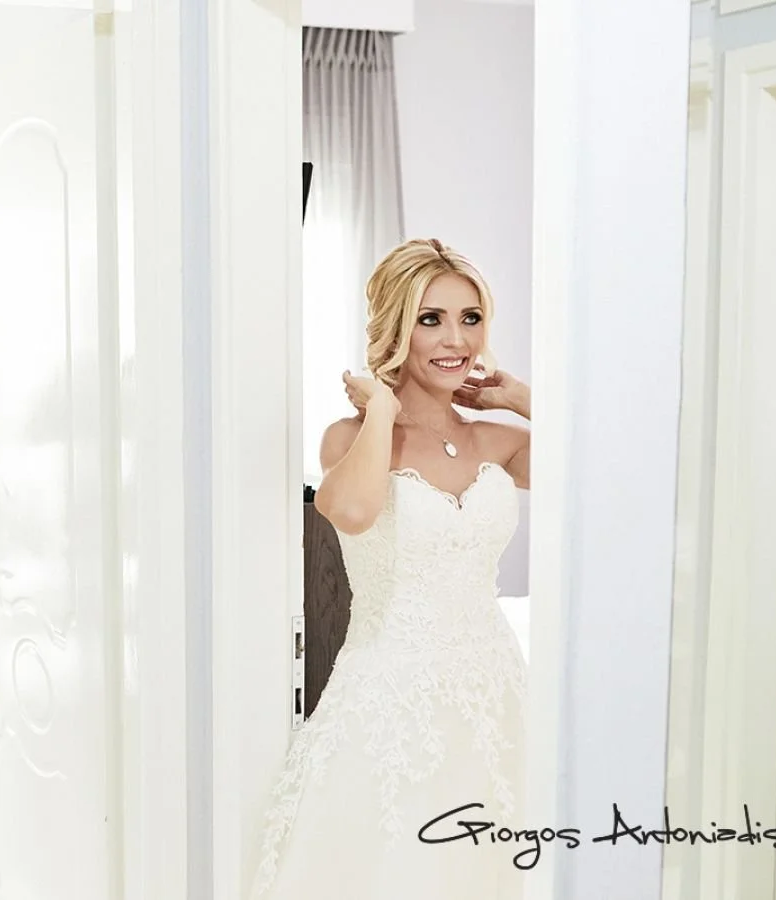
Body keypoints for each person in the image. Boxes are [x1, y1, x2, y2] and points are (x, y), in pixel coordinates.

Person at [250, 238, 532, 898]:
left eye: (471, 317)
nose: (455, 338)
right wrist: (381, 409)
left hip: (496, 693)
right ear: (394, 328)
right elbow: (348, 511)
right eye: (430, 318)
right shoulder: (350, 439)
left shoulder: (501, 441)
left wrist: (523, 399)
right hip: (389, 701)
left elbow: (611, 480)